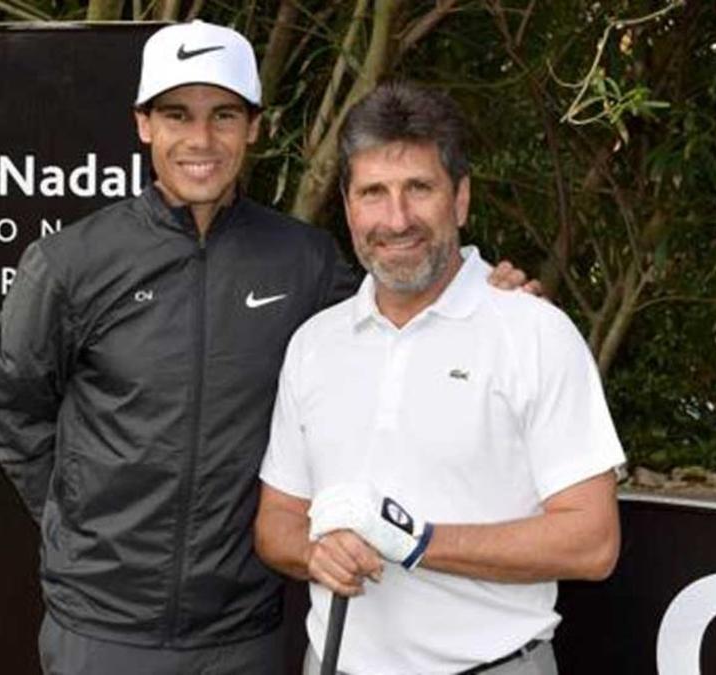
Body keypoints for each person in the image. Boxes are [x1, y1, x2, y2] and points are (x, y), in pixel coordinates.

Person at [0, 21, 535, 674]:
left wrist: (489, 291)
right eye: (177, 115)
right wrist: (83, 524)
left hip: (244, 628)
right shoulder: (68, 264)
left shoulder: (302, 259)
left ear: (253, 127)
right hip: (101, 628)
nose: (200, 139)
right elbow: (19, 414)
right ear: (143, 125)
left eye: (223, 115)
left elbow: (401, 325)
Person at [254, 82, 625, 675]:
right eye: (373, 193)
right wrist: (312, 551)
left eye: (418, 189)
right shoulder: (314, 345)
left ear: (460, 199)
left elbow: (592, 542)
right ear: (347, 206)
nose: (396, 219)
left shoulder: (534, 333)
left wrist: (418, 540)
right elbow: (276, 523)